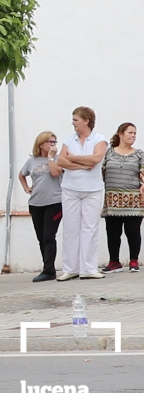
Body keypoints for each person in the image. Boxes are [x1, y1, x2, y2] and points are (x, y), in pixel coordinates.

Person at [57, 106, 109, 280]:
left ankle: (88, 269)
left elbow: (96, 159)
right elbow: (60, 161)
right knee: (70, 228)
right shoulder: (69, 139)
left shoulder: (99, 139)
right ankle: (70, 268)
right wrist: (80, 165)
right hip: (70, 188)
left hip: (93, 190)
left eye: (76, 120)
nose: (73, 123)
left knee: (90, 228)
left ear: (86, 121)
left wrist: (72, 157)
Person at [19, 131, 64, 282]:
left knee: (49, 236)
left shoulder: (57, 159)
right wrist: (26, 188)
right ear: (41, 144)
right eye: (50, 142)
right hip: (36, 203)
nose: (53, 144)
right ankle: (46, 267)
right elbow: (21, 174)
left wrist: (51, 157)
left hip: (54, 202)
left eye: (54, 142)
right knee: (41, 238)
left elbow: (55, 173)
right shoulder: (32, 161)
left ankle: (49, 270)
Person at [100, 122, 144, 273]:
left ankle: (133, 261)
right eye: (130, 132)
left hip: (134, 200)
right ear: (120, 134)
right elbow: (101, 173)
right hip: (112, 200)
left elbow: (143, 173)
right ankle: (114, 262)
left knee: (133, 231)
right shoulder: (108, 153)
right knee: (112, 232)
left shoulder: (139, 154)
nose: (133, 135)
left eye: (134, 133)